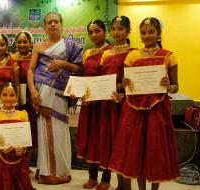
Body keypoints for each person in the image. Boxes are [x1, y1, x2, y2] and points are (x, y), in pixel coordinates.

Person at [108, 17, 180, 190]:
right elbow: (128, 84)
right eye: (143, 32)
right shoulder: (132, 56)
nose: (147, 36)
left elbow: (176, 87)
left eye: (151, 32)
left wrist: (168, 86)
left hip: (157, 109)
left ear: (159, 33)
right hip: (133, 110)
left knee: (155, 150)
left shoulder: (169, 56)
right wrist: (125, 84)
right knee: (136, 151)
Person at [27, 12, 83, 184]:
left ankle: (61, 171)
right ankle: (46, 171)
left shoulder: (69, 45)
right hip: (42, 95)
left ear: (61, 24)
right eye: (49, 22)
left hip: (60, 96)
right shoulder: (38, 46)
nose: (52, 24)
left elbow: (79, 69)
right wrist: (32, 91)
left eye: (55, 21)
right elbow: (30, 70)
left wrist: (64, 64)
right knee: (45, 132)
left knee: (60, 133)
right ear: (45, 26)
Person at [96, 16, 135, 190]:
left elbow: (134, 82)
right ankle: (119, 185)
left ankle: (127, 184)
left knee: (125, 144)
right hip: (108, 104)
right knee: (112, 144)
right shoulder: (106, 53)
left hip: (125, 105)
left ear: (128, 31)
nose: (116, 32)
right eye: (113, 28)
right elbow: (102, 78)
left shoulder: (134, 53)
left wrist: (121, 91)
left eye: (120, 28)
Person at [75, 19, 112, 189]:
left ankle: (106, 178)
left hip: (105, 103)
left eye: (97, 31)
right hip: (89, 102)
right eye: (91, 32)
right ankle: (92, 176)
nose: (94, 35)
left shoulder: (112, 52)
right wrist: (77, 91)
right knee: (90, 137)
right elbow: (84, 76)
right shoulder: (87, 53)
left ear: (105, 32)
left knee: (104, 138)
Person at [0, 82, 34, 190]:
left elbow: (25, 140)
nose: (8, 98)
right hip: (0, 159)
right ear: (0, 97)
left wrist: (23, 149)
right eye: (5, 95)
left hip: (18, 159)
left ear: (16, 97)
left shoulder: (23, 115)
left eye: (12, 95)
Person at [11, 31, 37, 149]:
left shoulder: (35, 57)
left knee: (29, 128)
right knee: (16, 128)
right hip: (14, 98)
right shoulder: (11, 58)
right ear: (16, 44)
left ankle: (26, 164)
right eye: (19, 42)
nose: (22, 44)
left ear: (30, 43)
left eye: (25, 42)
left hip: (31, 98)